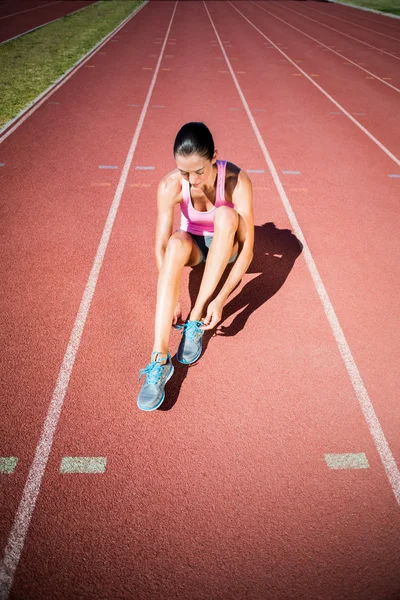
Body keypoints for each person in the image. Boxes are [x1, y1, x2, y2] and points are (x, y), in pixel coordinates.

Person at [137, 122, 254, 411]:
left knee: (226, 217)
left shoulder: (236, 182)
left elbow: (248, 251)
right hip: (194, 248)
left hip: (227, 246)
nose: (191, 180)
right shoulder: (170, 186)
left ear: (214, 156)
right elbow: (160, 246)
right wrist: (174, 296)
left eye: (199, 171)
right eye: (184, 171)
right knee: (176, 243)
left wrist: (220, 299)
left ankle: (197, 319)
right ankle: (159, 360)